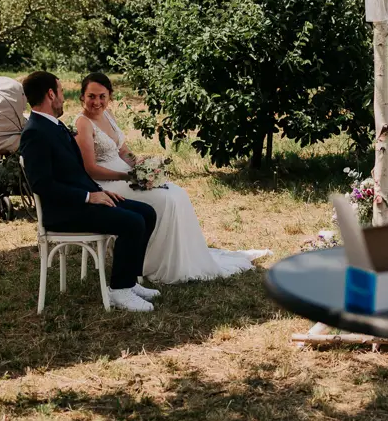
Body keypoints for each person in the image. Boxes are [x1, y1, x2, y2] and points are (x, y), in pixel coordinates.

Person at [73, 72, 269, 284]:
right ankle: (151, 263)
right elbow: (91, 169)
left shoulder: (108, 115)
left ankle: (181, 258)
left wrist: (141, 165)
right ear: (82, 97)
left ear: (109, 96)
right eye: (91, 96)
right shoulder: (82, 123)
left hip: (126, 175)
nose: (97, 102)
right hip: (107, 183)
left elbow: (122, 151)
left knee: (178, 193)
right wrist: (127, 175)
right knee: (165, 200)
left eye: (102, 96)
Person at [19, 71, 160, 313]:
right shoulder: (35, 132)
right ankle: (119, 291)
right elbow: (42, 185)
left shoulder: (53, 125)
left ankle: (130, 280)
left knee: (146, 213)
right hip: (64, 211)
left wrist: (99, 191)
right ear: (50, 94)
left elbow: (76, 172)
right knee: (133, 222)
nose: (63, 97)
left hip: (82, 200)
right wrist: (88, 197)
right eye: (61, 91)